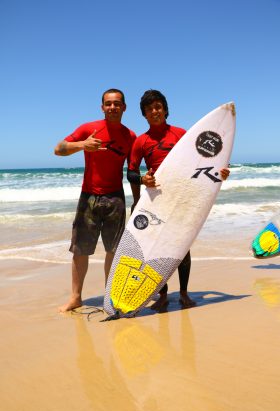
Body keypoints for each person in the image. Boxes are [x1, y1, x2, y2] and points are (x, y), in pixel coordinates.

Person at [127, 89, 230, 311]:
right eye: (149, 108)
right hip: (157, 199)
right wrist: (142, 183)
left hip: (183, 196)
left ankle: (183, 293)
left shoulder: (182, 134)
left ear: (165, 109)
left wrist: (220, 172)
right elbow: (130, 173)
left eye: (158, 107)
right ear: (144, 114)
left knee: (182, 246)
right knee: (157, 248)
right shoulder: (141, 141)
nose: (155, 111)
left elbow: (203, 161)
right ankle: (162, 294)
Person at [54, 88, 137, 312]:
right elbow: (58, 149)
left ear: (124, 107)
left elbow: (134, 170)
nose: (112, 107)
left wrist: (139, 198)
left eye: (117, 103)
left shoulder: (130, 136)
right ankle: (76, 297)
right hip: (89, 195)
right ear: (102, 107)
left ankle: (110, 296)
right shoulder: (88, 128)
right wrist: (82, 145)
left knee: (114, 250)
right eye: (108, 103)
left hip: (116, 198)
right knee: (80, 249)